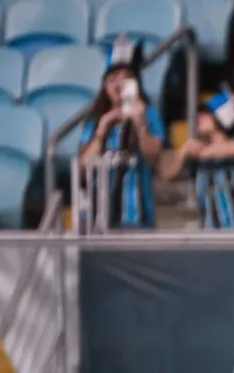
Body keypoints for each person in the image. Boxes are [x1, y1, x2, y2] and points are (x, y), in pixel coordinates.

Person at [79, 36, 166, 229]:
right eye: (112, 80)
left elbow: (154, 157)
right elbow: (85, 166)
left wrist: (140, 124)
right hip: (99, 218)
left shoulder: (149, 115)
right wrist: (102, 130)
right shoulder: (96, 121)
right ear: (104, 86)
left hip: (138, 216)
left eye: (126, 78)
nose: (118, 85)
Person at [162, 87, 234, 229]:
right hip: (212, 231)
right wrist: (181, 153)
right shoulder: (195, 151)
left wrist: (205, 152)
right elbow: (169, 174)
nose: (199, 117)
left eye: (206, 114)